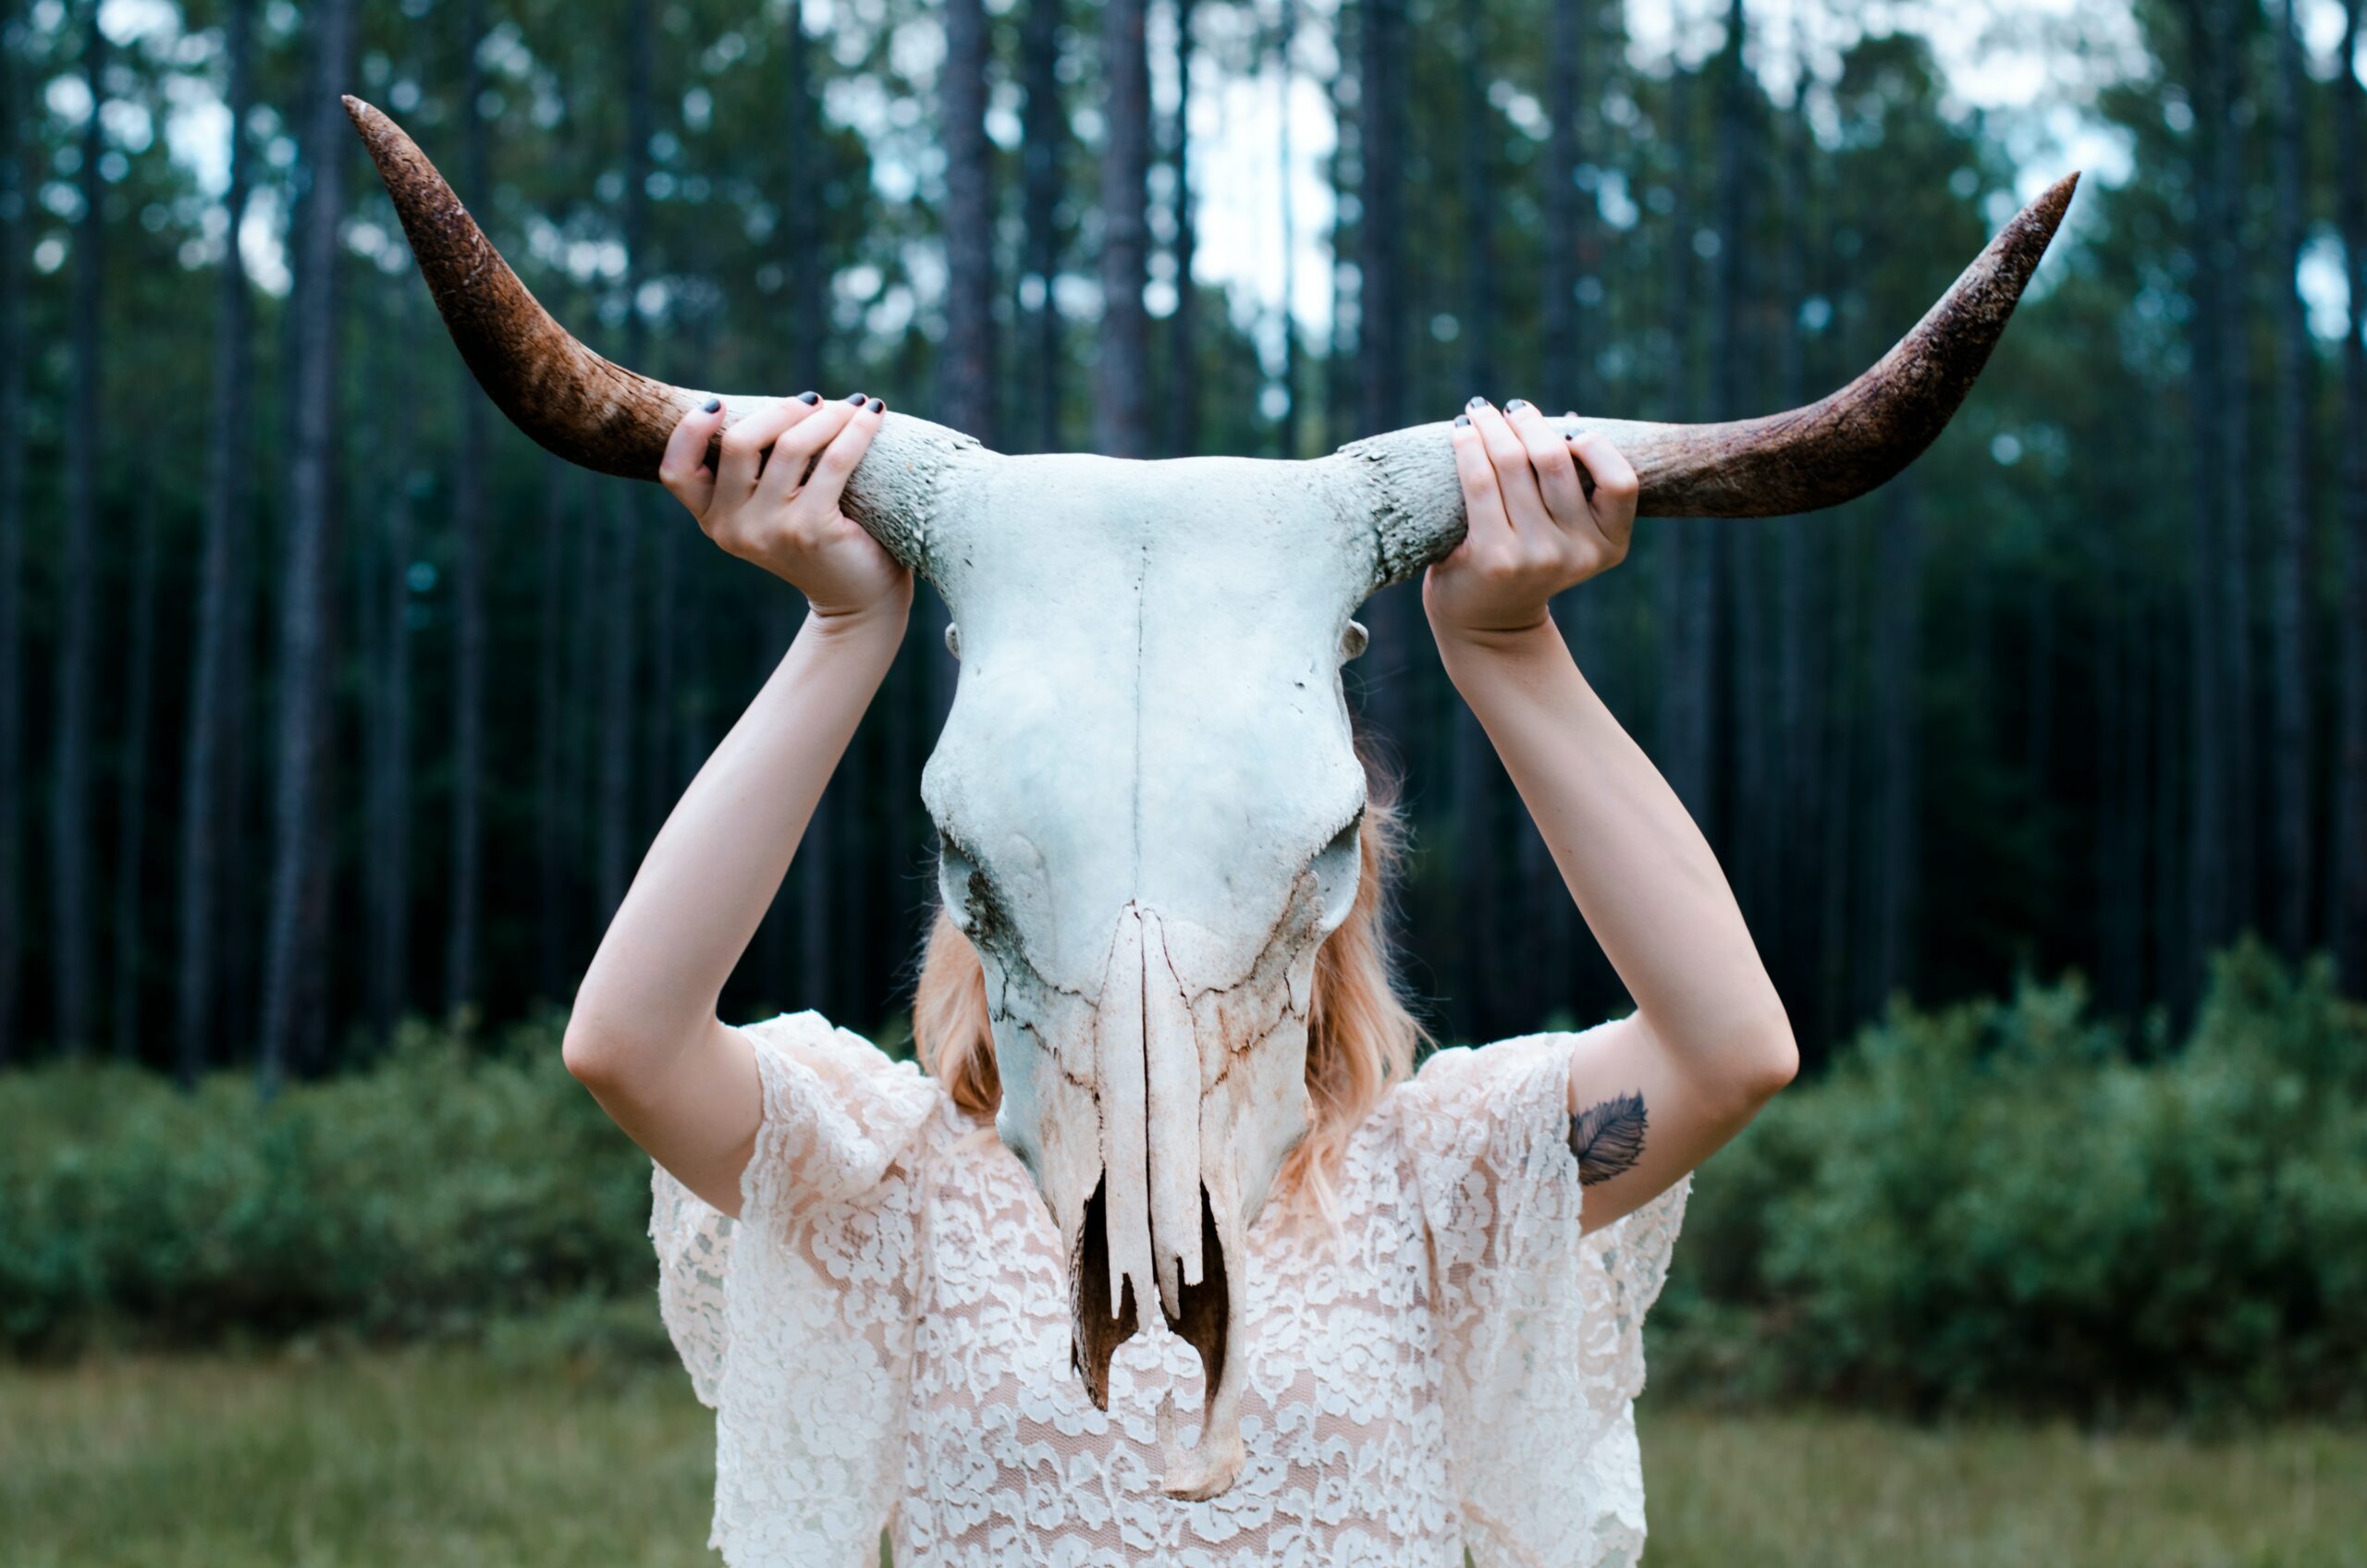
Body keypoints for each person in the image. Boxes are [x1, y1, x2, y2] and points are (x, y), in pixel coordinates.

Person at [561, 388, 1799, 1566]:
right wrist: (842, 633)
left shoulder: (1434, 1185)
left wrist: (1509, 646)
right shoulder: (894, 1182)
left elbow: (1726, 1053)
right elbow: (632, 1045)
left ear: (1335, 864)